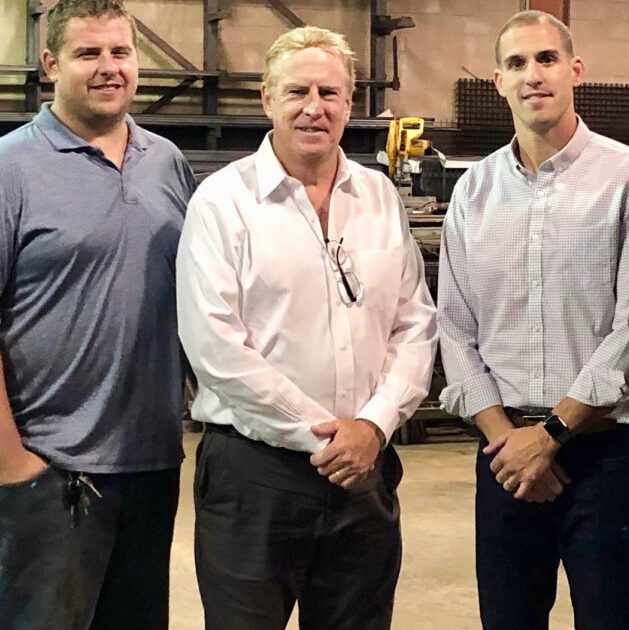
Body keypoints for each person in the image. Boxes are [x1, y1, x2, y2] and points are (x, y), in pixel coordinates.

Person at [176, 25, 437, 630]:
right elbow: (215, 346)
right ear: (267, 99)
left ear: (349, 104)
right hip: (255, 476)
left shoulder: (376, 196)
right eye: (297, 91)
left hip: (365, 469)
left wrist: (373, 424)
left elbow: (415, 322)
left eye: (330, 92)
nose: (313, 107)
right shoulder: (223, 202)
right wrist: (324, 435)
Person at [0, 1, 195, 629]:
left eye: (120, 52)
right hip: (48, 471)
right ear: (51, 64)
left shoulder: (166, 161)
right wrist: (14, 465)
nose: (109, 68)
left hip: (152, 462)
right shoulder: (10, 167)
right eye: (89, 53)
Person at [438, 9, 629, 630]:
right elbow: (455, 329)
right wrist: (509, 444)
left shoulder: (623, 177)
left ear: (575, 70)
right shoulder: (473, 193)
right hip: (503, 460)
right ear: (497, 81)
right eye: (517, 63)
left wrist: (549, 437)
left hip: (606, 458)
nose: (533, 75)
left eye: (546, 59)